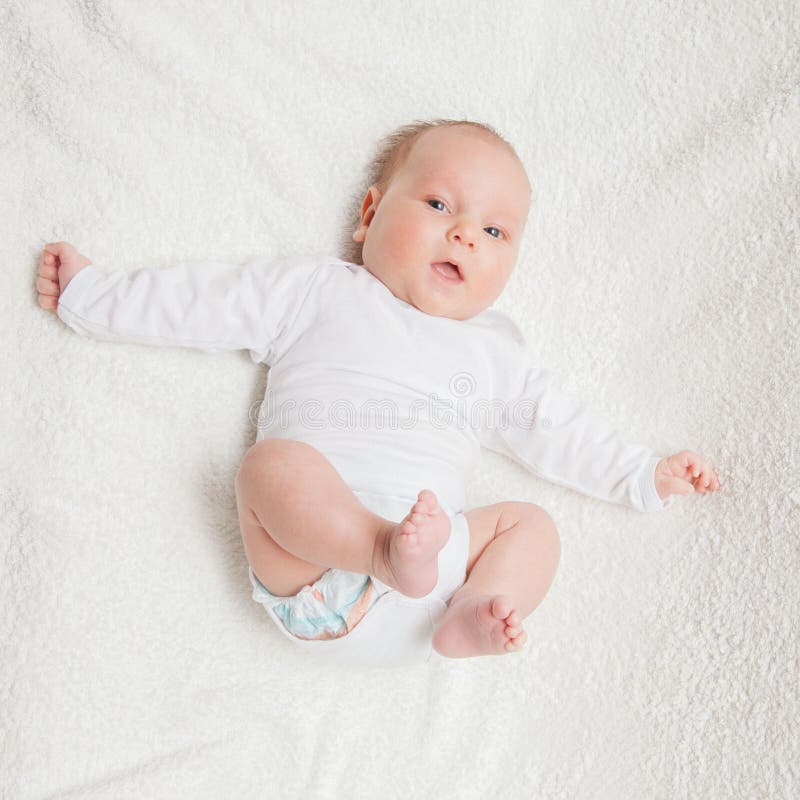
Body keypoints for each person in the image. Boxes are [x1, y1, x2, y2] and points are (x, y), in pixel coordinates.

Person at [35, 119, 721, 668]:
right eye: (439, 204)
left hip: (434, 594)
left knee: (530, 527)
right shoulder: (319, 291)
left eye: (493, 231)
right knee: (271, 468)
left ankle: (476, 612)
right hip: (318, 569)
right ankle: (377, 548)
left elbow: (556, 427)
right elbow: (204, 302)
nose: (463, 234)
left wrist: (639, 474)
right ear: (369, 212)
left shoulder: (494, 352)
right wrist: (94, 296)